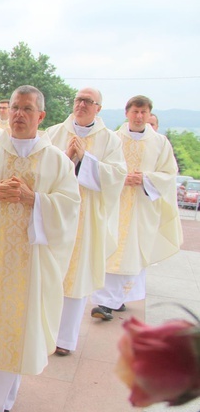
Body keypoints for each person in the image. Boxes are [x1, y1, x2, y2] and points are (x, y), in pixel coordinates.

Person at [0, 85, 80, 412]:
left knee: (15, 327)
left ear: (40, 117)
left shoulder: (55, 159)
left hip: (29, 266)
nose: (18, 114)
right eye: (15, 107)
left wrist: (36, 200)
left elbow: (70, 206)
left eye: (27, 109)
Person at [45, 88, 127, 354]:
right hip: (55, 215)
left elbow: (116, 176)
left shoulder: (109, 140)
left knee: (76, 277)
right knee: (49, 274)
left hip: (85, 218)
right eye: (78, 100)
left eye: (88, 101)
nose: (81, 105)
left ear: (98, 108)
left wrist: (86, 160)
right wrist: (67, 159)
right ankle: (43, 334)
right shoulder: (55, 132)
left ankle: (65, 340)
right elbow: (40, 167)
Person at [90, 95, 182, 319]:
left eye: (144, 112)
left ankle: (113, 300)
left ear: (149, 114)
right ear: (126, 113)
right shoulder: (112, 139)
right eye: (135, 112)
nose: (139, 117)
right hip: (115, 203)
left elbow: (169, 174)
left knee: (132, 252)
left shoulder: (160, 142)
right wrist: (119, 178)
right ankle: (107, 301)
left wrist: (146, 179)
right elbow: (99, 167)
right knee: (110, 248)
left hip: (141, 206)